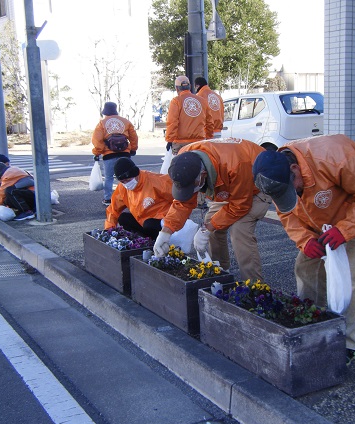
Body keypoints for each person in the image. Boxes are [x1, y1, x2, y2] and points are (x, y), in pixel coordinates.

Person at [251, 134, 355, 366]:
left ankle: (346, 344)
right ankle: (312, 323)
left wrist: (344, 230)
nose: (291, 194)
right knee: (305, 266)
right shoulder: (275, 175)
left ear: (294, 168)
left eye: (291, 188)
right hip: (321, 217)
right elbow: (287, 212)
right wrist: (305, 239)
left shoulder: (335, 157)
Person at [153, 138, 271, 282]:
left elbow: (240, 205)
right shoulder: (184, 160)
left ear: (203, 176)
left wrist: (208, 228)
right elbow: (183, 203)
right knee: (212, 225)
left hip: (255, 185)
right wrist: (166, 232)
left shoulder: (236, 165)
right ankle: (221, 272)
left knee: (239, 230)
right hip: (226, 184)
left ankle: (255, 286)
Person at [104, 158, 174, 239]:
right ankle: (145, 240)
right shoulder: (122, 188)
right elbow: (113, 210)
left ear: (136, 174)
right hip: (143, 222)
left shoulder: (156, 181)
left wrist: (174, 221)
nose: (126, 184)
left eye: (128, 180)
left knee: (149, 223)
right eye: (123, 182)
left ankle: (162, 239)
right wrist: (109, 230)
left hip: (163, 223)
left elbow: (180, 200)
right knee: (123, 218)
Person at [92, 102, 139, 206]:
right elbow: (133, 136)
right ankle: (130, 196)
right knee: (127, 176)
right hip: (125, 153)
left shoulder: (102, 123)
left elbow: (97, 139)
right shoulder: (125, 121)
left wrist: (97, 152)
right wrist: (133, 148)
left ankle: (108, 199)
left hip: (109, 154)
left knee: (109, 177)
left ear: (105, 112)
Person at [165, 75, 212, 156]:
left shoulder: (176, 101)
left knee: (179, 167)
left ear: (177, 88)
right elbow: (209, 122)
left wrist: (170, 140)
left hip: (180, 144)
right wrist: (208, 138)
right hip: (198, 143)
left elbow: (172, 122)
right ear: (190, 87)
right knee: (198, 167)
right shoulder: (202, 101)